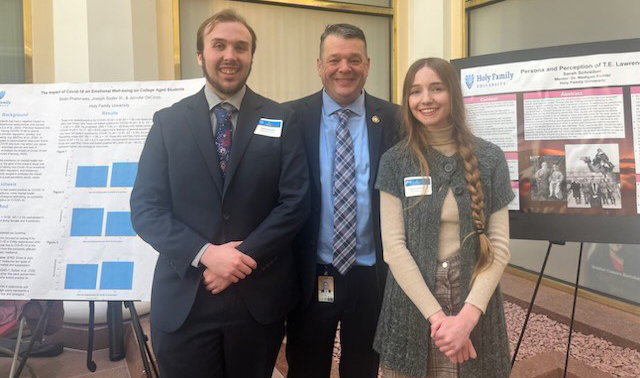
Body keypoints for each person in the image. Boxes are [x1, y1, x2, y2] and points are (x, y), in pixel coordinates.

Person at [130, 9, 309, 377]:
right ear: (201, 54)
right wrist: (207, 254)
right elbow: (146, 209)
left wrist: (239, 258)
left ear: (251, 57)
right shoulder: (168, 123)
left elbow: (295, 202)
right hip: (186, 299)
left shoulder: (281, 118)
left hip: (257, 300)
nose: (230, 55)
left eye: (241, 47)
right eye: (219, 46)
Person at [373, 58, 513, 378]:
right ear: (407, 101)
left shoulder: (490, 158)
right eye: (415, 91)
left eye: (436, 88)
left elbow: (500, 247)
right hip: (413, 305)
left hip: (474, 305)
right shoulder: (396, 161)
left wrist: (466, 319)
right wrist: (439, 319)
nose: (426, 99)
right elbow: (394, 248)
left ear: (453, 94)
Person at [285, 23, 399, 378]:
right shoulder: (290, 117)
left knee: (363, 365)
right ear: (319, 65)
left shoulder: (395, 119)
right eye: (334, 59)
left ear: (368, 64)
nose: (344, 68)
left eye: (354, 59)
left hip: (372, 272)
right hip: (314, 270)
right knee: (305, 364)